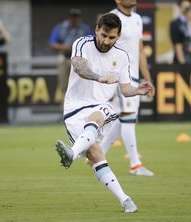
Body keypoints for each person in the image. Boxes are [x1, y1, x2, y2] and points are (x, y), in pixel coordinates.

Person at [55, 13, 154, 213]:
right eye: (103, 35)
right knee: (95, 154)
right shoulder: (82, 43)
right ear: (96, 29)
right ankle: (126, 200)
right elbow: (79, 67)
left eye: (112, 38)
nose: (106, 41)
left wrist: (137, 90)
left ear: (118, 36)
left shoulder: (122, 56)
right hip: (74, 107)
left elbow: (125, 89)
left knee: (100, 113)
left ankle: (71, 154)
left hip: (102, 105)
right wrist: (100, 78)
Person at [97, 0, 155, 176]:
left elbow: (140, 50)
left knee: (122, 118)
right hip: (119, 75)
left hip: (135, 76)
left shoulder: (137, 18)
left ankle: (98, 152)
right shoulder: (112, 18)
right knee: (129, 117)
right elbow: (102, 45)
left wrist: (148, 78)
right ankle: (135, 165)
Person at [49, 9, 92, 105]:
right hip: (64, 58)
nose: (74, 19)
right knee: (63, 84)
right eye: (72, 17)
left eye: (76, 17)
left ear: (79, 18)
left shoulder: (84, 28)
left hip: (79, 59)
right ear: (69, 17)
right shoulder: (60, 28)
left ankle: (80, 106)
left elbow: (91, 43)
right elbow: (52, 43)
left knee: (80, 84)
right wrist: (66, 48)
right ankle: (64, 109)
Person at [169, 0, 191, 64]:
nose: (187, 10)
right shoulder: (175, 24)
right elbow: (177, 44)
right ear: (180, 7)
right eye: (186, 8)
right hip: (184, 58)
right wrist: (182, 62)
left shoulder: (188, 23)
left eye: (189, 8)